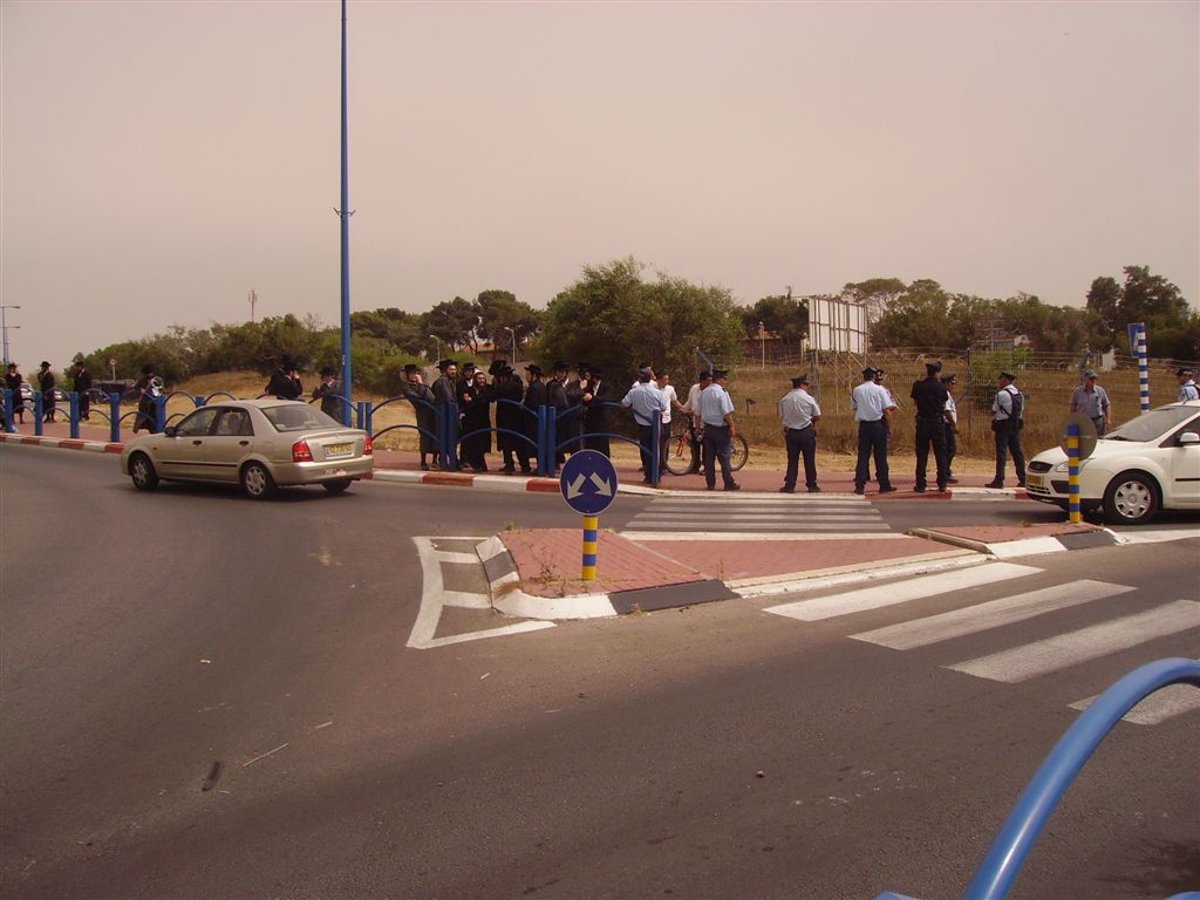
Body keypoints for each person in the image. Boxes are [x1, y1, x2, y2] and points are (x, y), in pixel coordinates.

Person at [851, 367, 897, 495]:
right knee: (880, 456)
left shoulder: (857, 390)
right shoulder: (880, 390)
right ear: (874, 377)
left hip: (864, 426)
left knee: (863, 456)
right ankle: (884, 484)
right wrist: (889, 427)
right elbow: (887, 410)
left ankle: (859, 485)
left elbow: (855, 407)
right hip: (878, 425)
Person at [621, 367, 669, 485]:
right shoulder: (657, 392)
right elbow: (663, 407)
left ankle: (648, 475)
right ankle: (656, 475)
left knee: (645, 451)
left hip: (642, 424)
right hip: (656, 424)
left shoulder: (634, 392)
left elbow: (624, 403)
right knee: (657, 450)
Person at [910, 360, 950, 493]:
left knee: (922, 454)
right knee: (941, 454)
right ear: (937, 372)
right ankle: (942, 482)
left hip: (922, 421)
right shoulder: (941, 387)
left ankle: (920, 483)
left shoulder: (918, 385)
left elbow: (915, 402)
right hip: (937, 422)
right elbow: (944, 404)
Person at [697, 368, 740, 491]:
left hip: (708, 428)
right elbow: (727, 412)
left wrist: (698, 427)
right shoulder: (721, 393)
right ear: (719, 380)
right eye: (724, 379)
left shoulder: (704, 392)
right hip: (721, 429)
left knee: (709, 458)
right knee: (724, 456)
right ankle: (728, 482)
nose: (725, 382)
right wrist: (732, 426)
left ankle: (710, 483)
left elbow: (698, 412)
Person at [778, 373, 821, 493]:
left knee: (792, 460)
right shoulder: (809, 398)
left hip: (791, 433)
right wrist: (812, 423)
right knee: (809, 459)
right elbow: (817, 415)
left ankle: (790, 484)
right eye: (806, 384)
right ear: (802, 385)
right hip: (806, 431)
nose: (807, 386)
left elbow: (781, 416)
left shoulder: (785, 399)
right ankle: (812, 484)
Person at [986, 370, 1026, 489]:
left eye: (1001, 379)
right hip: (1015, 426)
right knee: (1017, 453)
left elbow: (994, 410)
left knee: (1001, 453)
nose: (1000, 381)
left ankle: (999, 480)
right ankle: (1023, 478)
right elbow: (1021, 410)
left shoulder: (1001, 394)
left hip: (1003, 426)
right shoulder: (1019, 394)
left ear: (1006, 380)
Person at [402, 363, 438, 471]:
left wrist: (422, 384)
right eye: (412, 374)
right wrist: (421, 384)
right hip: (422, 413)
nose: (414, 375)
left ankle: (435, 459)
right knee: (425, 436)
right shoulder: (407, 387)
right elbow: (419, 398)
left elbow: (432, 397)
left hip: (433, 412)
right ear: (407, 375)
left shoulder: (424, 384)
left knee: (435, 434)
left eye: (416, 373)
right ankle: (423, 461)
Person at [492, 363, 525, 473]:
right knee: (519, 442)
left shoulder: (501, 387)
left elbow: (491, 397)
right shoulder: (518, 385)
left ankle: (509, 464)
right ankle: (525, 465)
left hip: (504, 418)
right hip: (517, 417)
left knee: (506, 443)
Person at [459, 368, 493, 472]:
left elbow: (485, 398)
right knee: (471, 446)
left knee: (481, 447)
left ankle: (482, 466)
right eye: (479, 378)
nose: (482, 380)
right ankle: (477, 465)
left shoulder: (488, 389)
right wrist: (467, 400)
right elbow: (464, 400)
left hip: (483, 421)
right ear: (475, 379)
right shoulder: (469, 390)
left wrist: (472, 400)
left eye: (483, 378)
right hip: (471, 422)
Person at [518, 363, 546, 474]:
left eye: (528, 374)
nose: (526, 376)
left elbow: (533, 404)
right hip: (540, 420)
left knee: (535, 444)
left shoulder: (534, 388)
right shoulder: (542, 386)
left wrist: (524, 407)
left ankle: (539, 467)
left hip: (533, 421)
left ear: (533, 375)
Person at [545, 361, 571, 469]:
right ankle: (555, 462)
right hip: (557, 416)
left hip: (569, 416)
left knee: (571, 441)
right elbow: (551, 400)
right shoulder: (553, 386)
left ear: (566, 373)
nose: (559, 374)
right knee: (555, 440)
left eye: (562, 372)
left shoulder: (572, 385)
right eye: (558, 372)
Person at [1070, 369, 1111, 435]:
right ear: (1085, 379)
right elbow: (1073, 406)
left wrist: (1108, 419)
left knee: (1099, 441)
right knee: (1084, 441)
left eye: (1095, 378)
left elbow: (1107, 405)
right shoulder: (1078, 392)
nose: (1093, 380)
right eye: (1091, 378)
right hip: (1083, 421)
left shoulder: (1100, 390)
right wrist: (1072, 419)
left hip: (1097, 421)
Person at [655, 370, 681, 472]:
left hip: (667, 419)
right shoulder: (653, 389)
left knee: (666, 442)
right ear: (659, 380)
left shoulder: (670, 389)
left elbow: (674, 401)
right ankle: (655, 464)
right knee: (657, 442)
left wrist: (683, 409)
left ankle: (664, 464)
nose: (667, 381)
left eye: (667, 379)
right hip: (656, 419)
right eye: (665, 379)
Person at [941, 373, 960, 484]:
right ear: (947, 384)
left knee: (949, 449)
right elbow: (947, 411)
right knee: (949, 450)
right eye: (952, 383)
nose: (954, 386)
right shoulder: (945, 395)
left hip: (948, 425)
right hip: (946, 425)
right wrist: (954, 424)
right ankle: (944, 473)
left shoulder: (947, 394)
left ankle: (945, 472)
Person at [132, 364, 162, 434]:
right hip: (145, 404)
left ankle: (155, 431)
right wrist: (140, 389)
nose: (149, 375)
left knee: (154, 419)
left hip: (154, 404)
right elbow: (136, 387)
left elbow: (159, 392)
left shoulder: (157, 380)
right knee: (145, 419)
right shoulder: (142, 380)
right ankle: (151, 431)